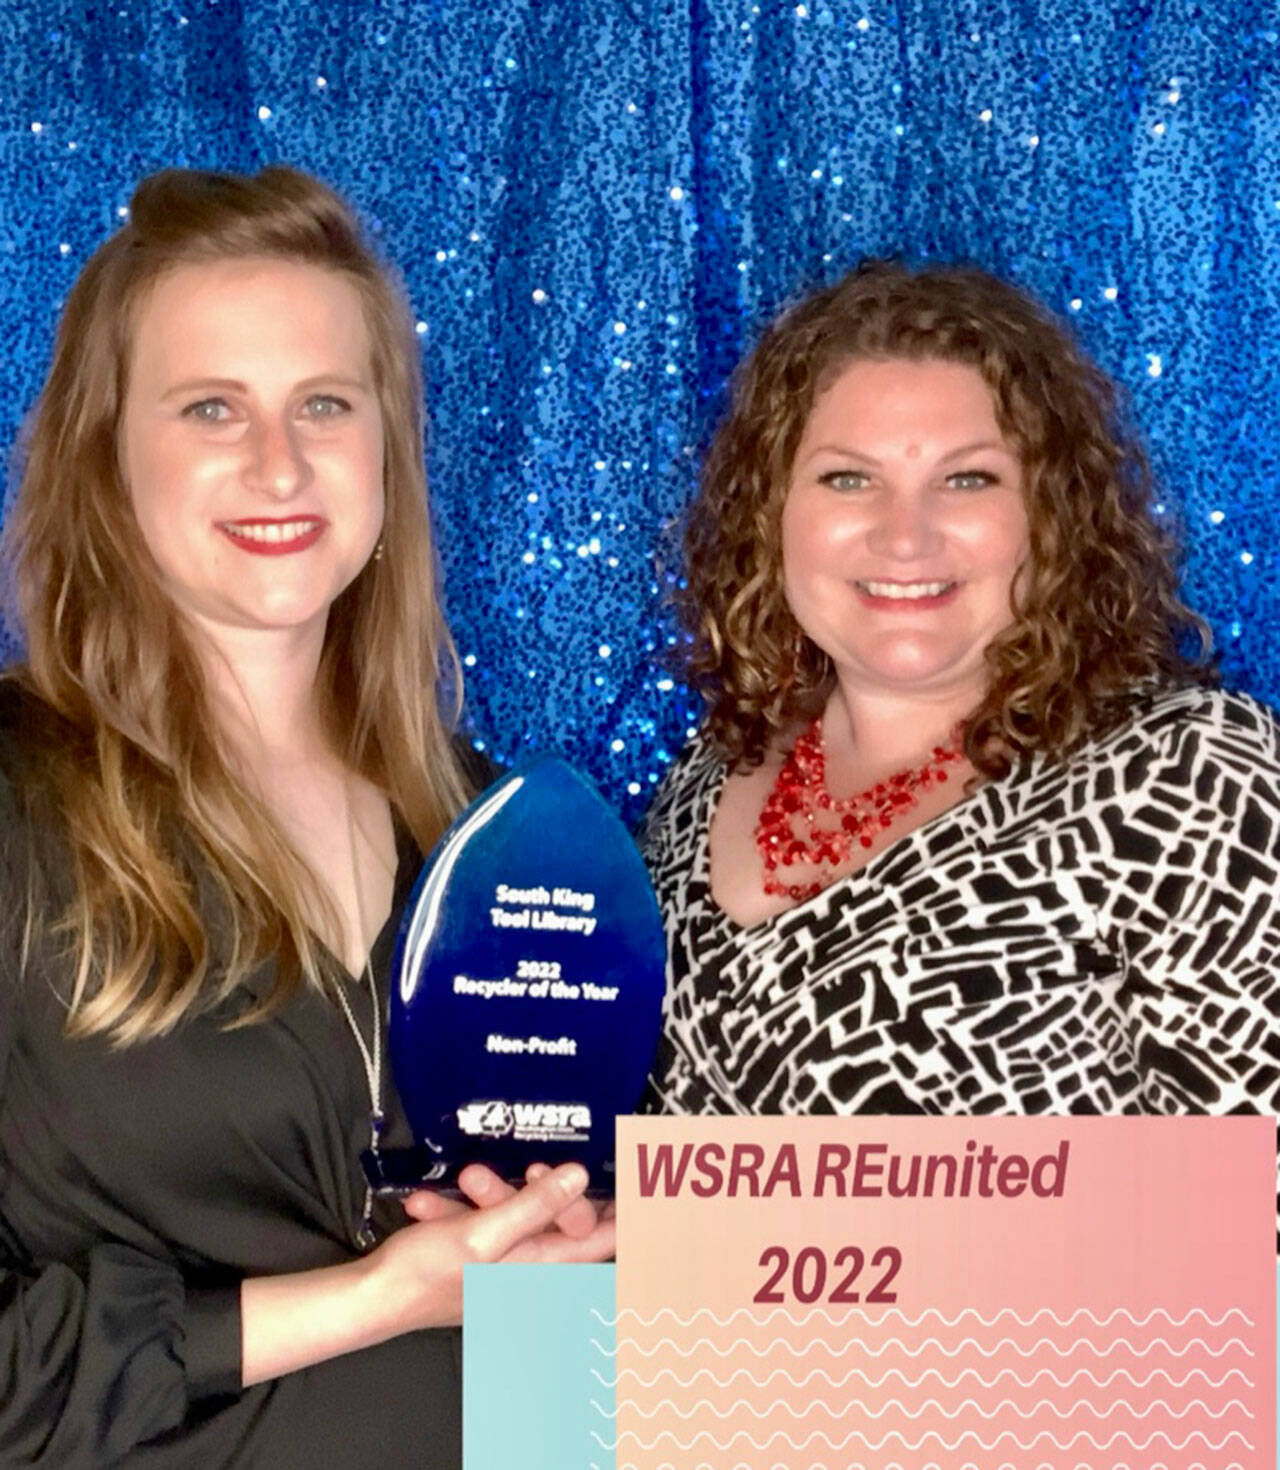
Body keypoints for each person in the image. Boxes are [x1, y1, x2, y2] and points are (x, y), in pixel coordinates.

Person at [0, 166, 613, 1468]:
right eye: (211, 406)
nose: (278, 461)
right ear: (105, 451)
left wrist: (569, 1261)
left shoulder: (486, 824)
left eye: (325, 404)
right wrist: (377, 1295)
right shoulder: (15, 800)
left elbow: (564, 1355)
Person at [641, 260, 1280, 1135]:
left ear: (1052, 516)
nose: (906, 535)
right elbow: (659, 1227)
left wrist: (744, 1248)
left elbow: (1245, 1231)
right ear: (771, 514)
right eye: (847, 478)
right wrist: (518, 1251)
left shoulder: (1189, 777)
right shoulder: (701, 787)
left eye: (969, 479)